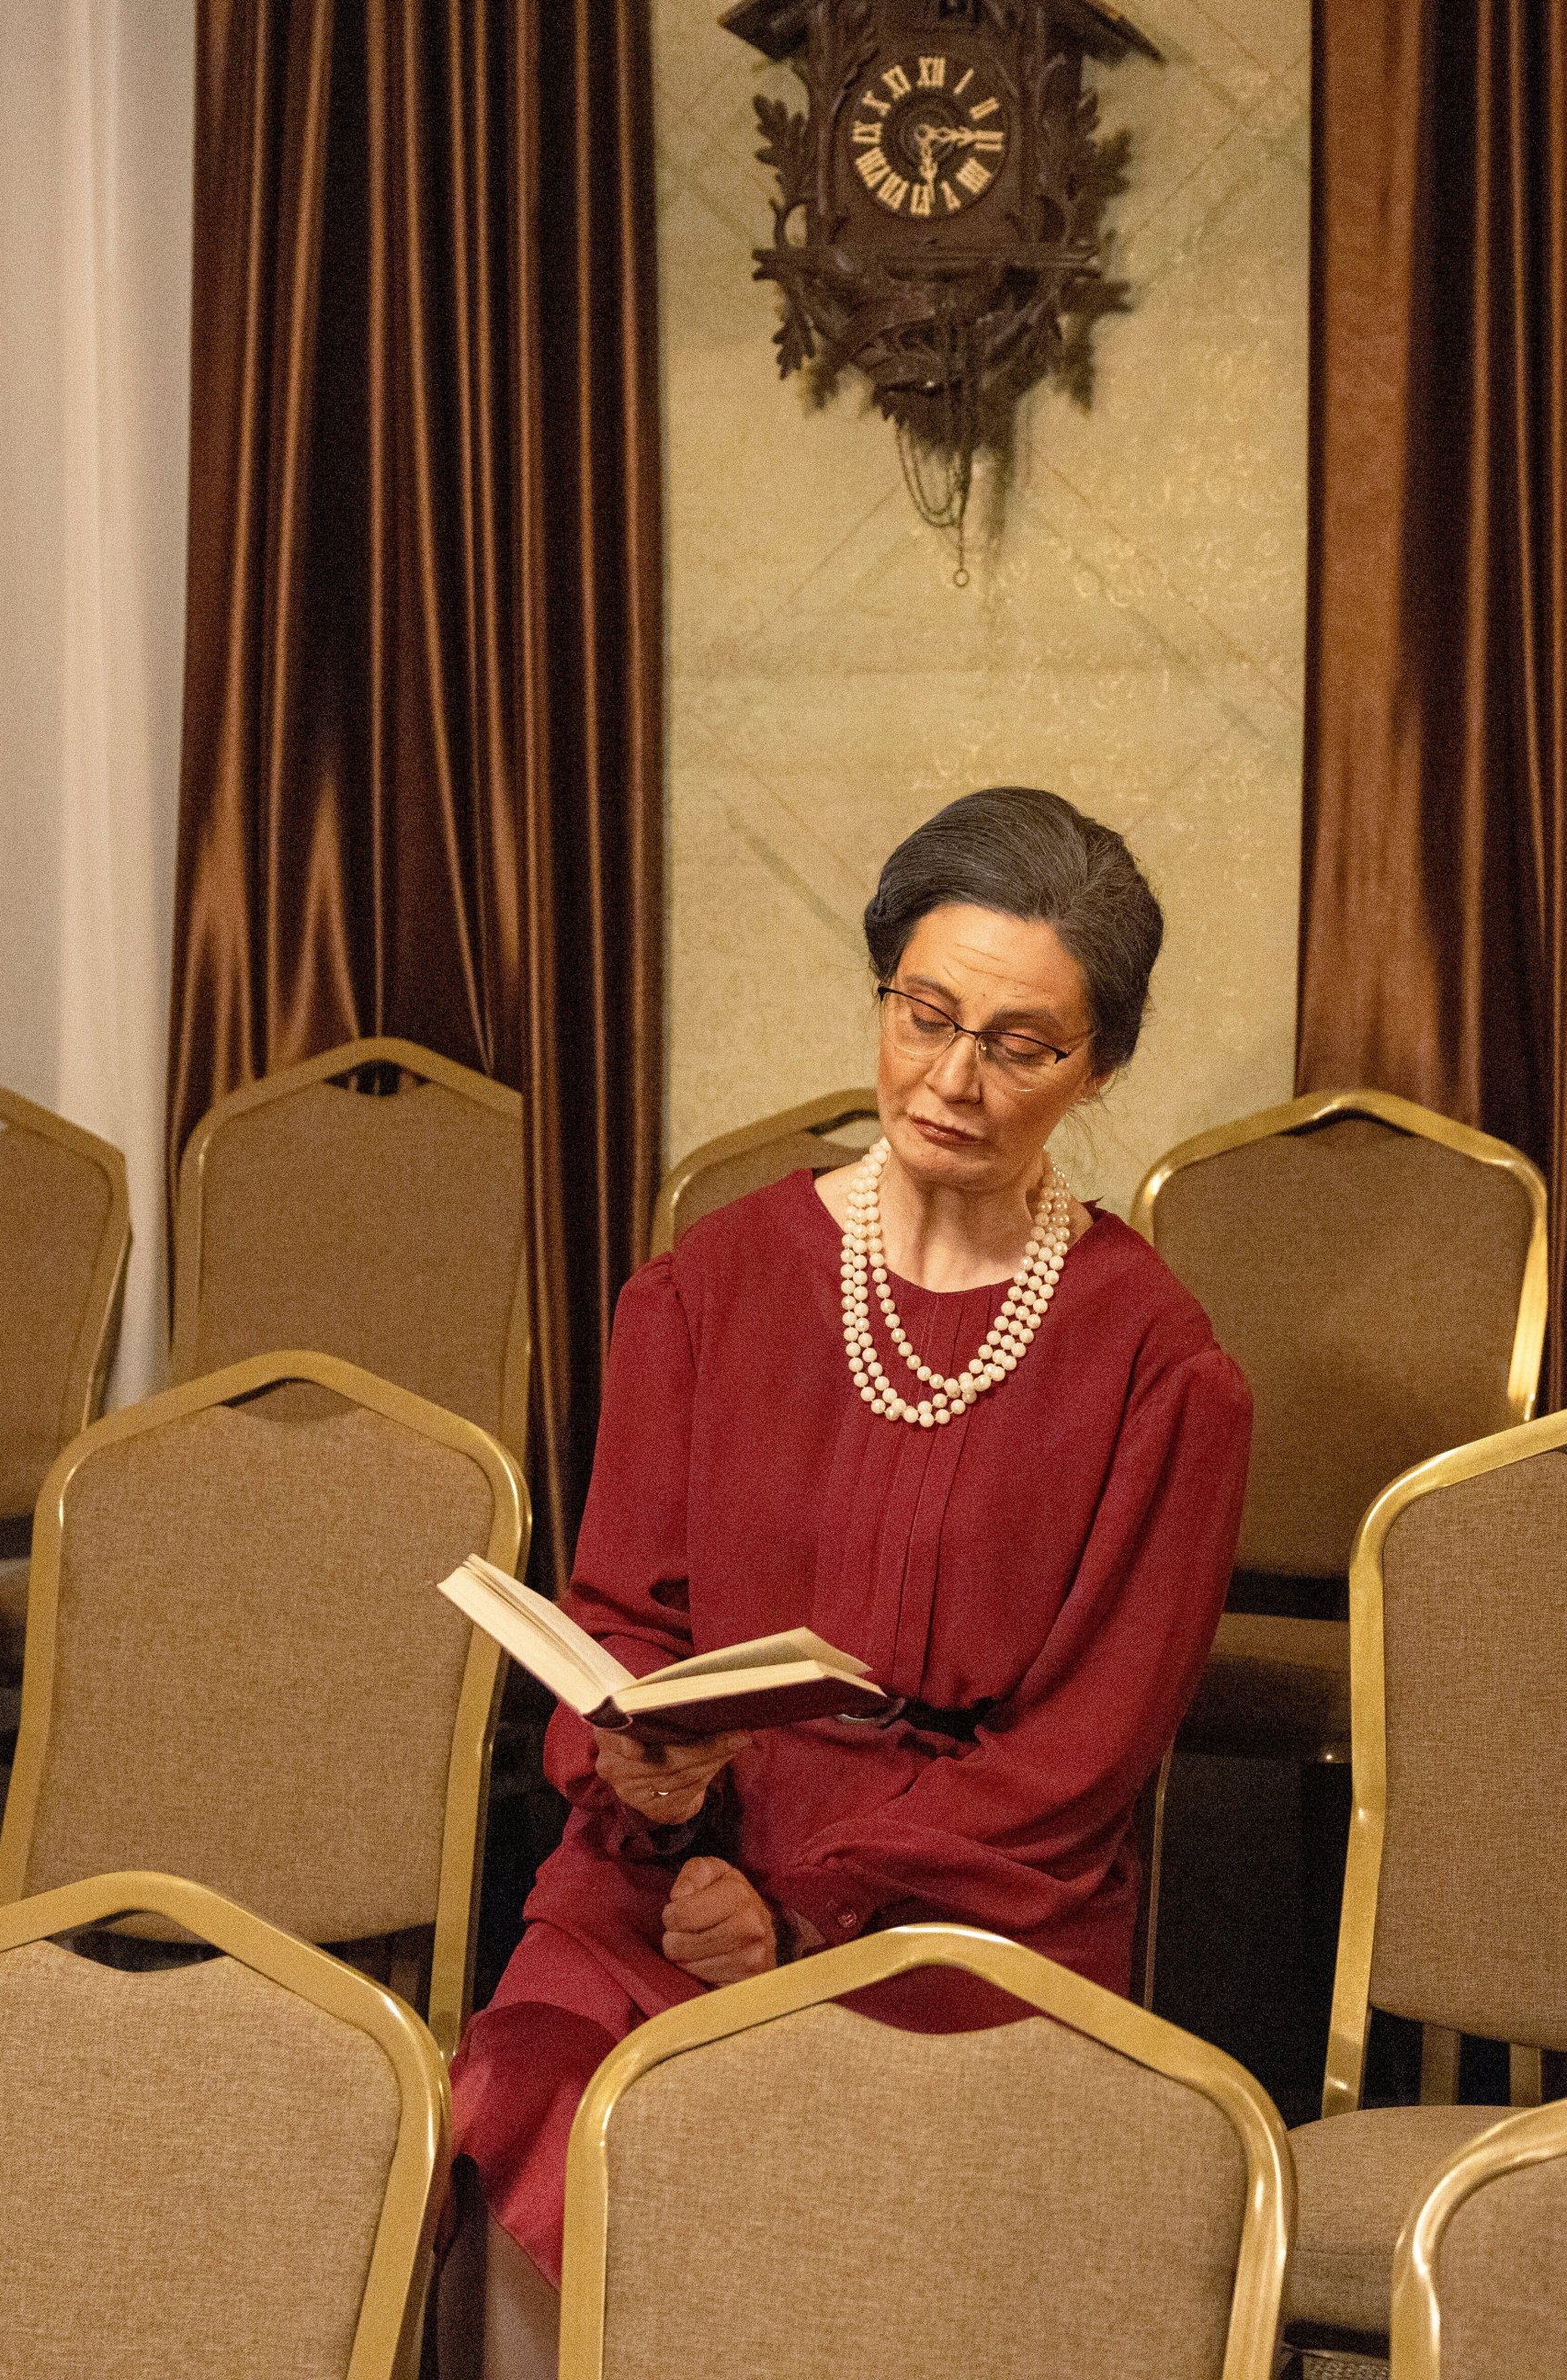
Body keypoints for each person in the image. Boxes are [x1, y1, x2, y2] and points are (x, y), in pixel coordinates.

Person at [437, 787, 1253, 2379]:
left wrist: (806, 1917)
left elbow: (1080, 1761)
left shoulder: (1159, 1364)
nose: (953, 1078)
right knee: (531, 2076)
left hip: (972, 1906)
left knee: (856, 2145)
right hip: (675, 1869)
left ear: (1100, 1066)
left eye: (1021, 1045)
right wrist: (643, 1773)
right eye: (925, 1015)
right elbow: (625, 1621)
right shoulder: (707, 1286)